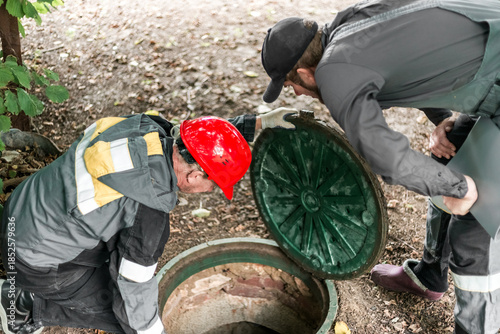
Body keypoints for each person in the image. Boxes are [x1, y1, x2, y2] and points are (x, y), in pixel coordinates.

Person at [260, 1, 500, 333]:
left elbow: (387, 158)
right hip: (491, 59)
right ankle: (429, 275)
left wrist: (462, 188)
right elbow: (420, 51)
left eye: (291, 86)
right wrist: (443, 118)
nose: (298, 93)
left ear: (303, 72)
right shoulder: (351, 24)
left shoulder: (334, 72)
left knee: (476, 227)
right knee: (449, 159)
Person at [0, 108, 294, 334]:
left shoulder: (146, 126)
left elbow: (201, 137)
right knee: (123, 314)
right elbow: (133, 291)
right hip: (32, 256)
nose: (211, 191)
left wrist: (257, 123)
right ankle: (19, 304)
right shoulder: (149, 214)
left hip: (22, 209)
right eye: (214, 185)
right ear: (194, 177)